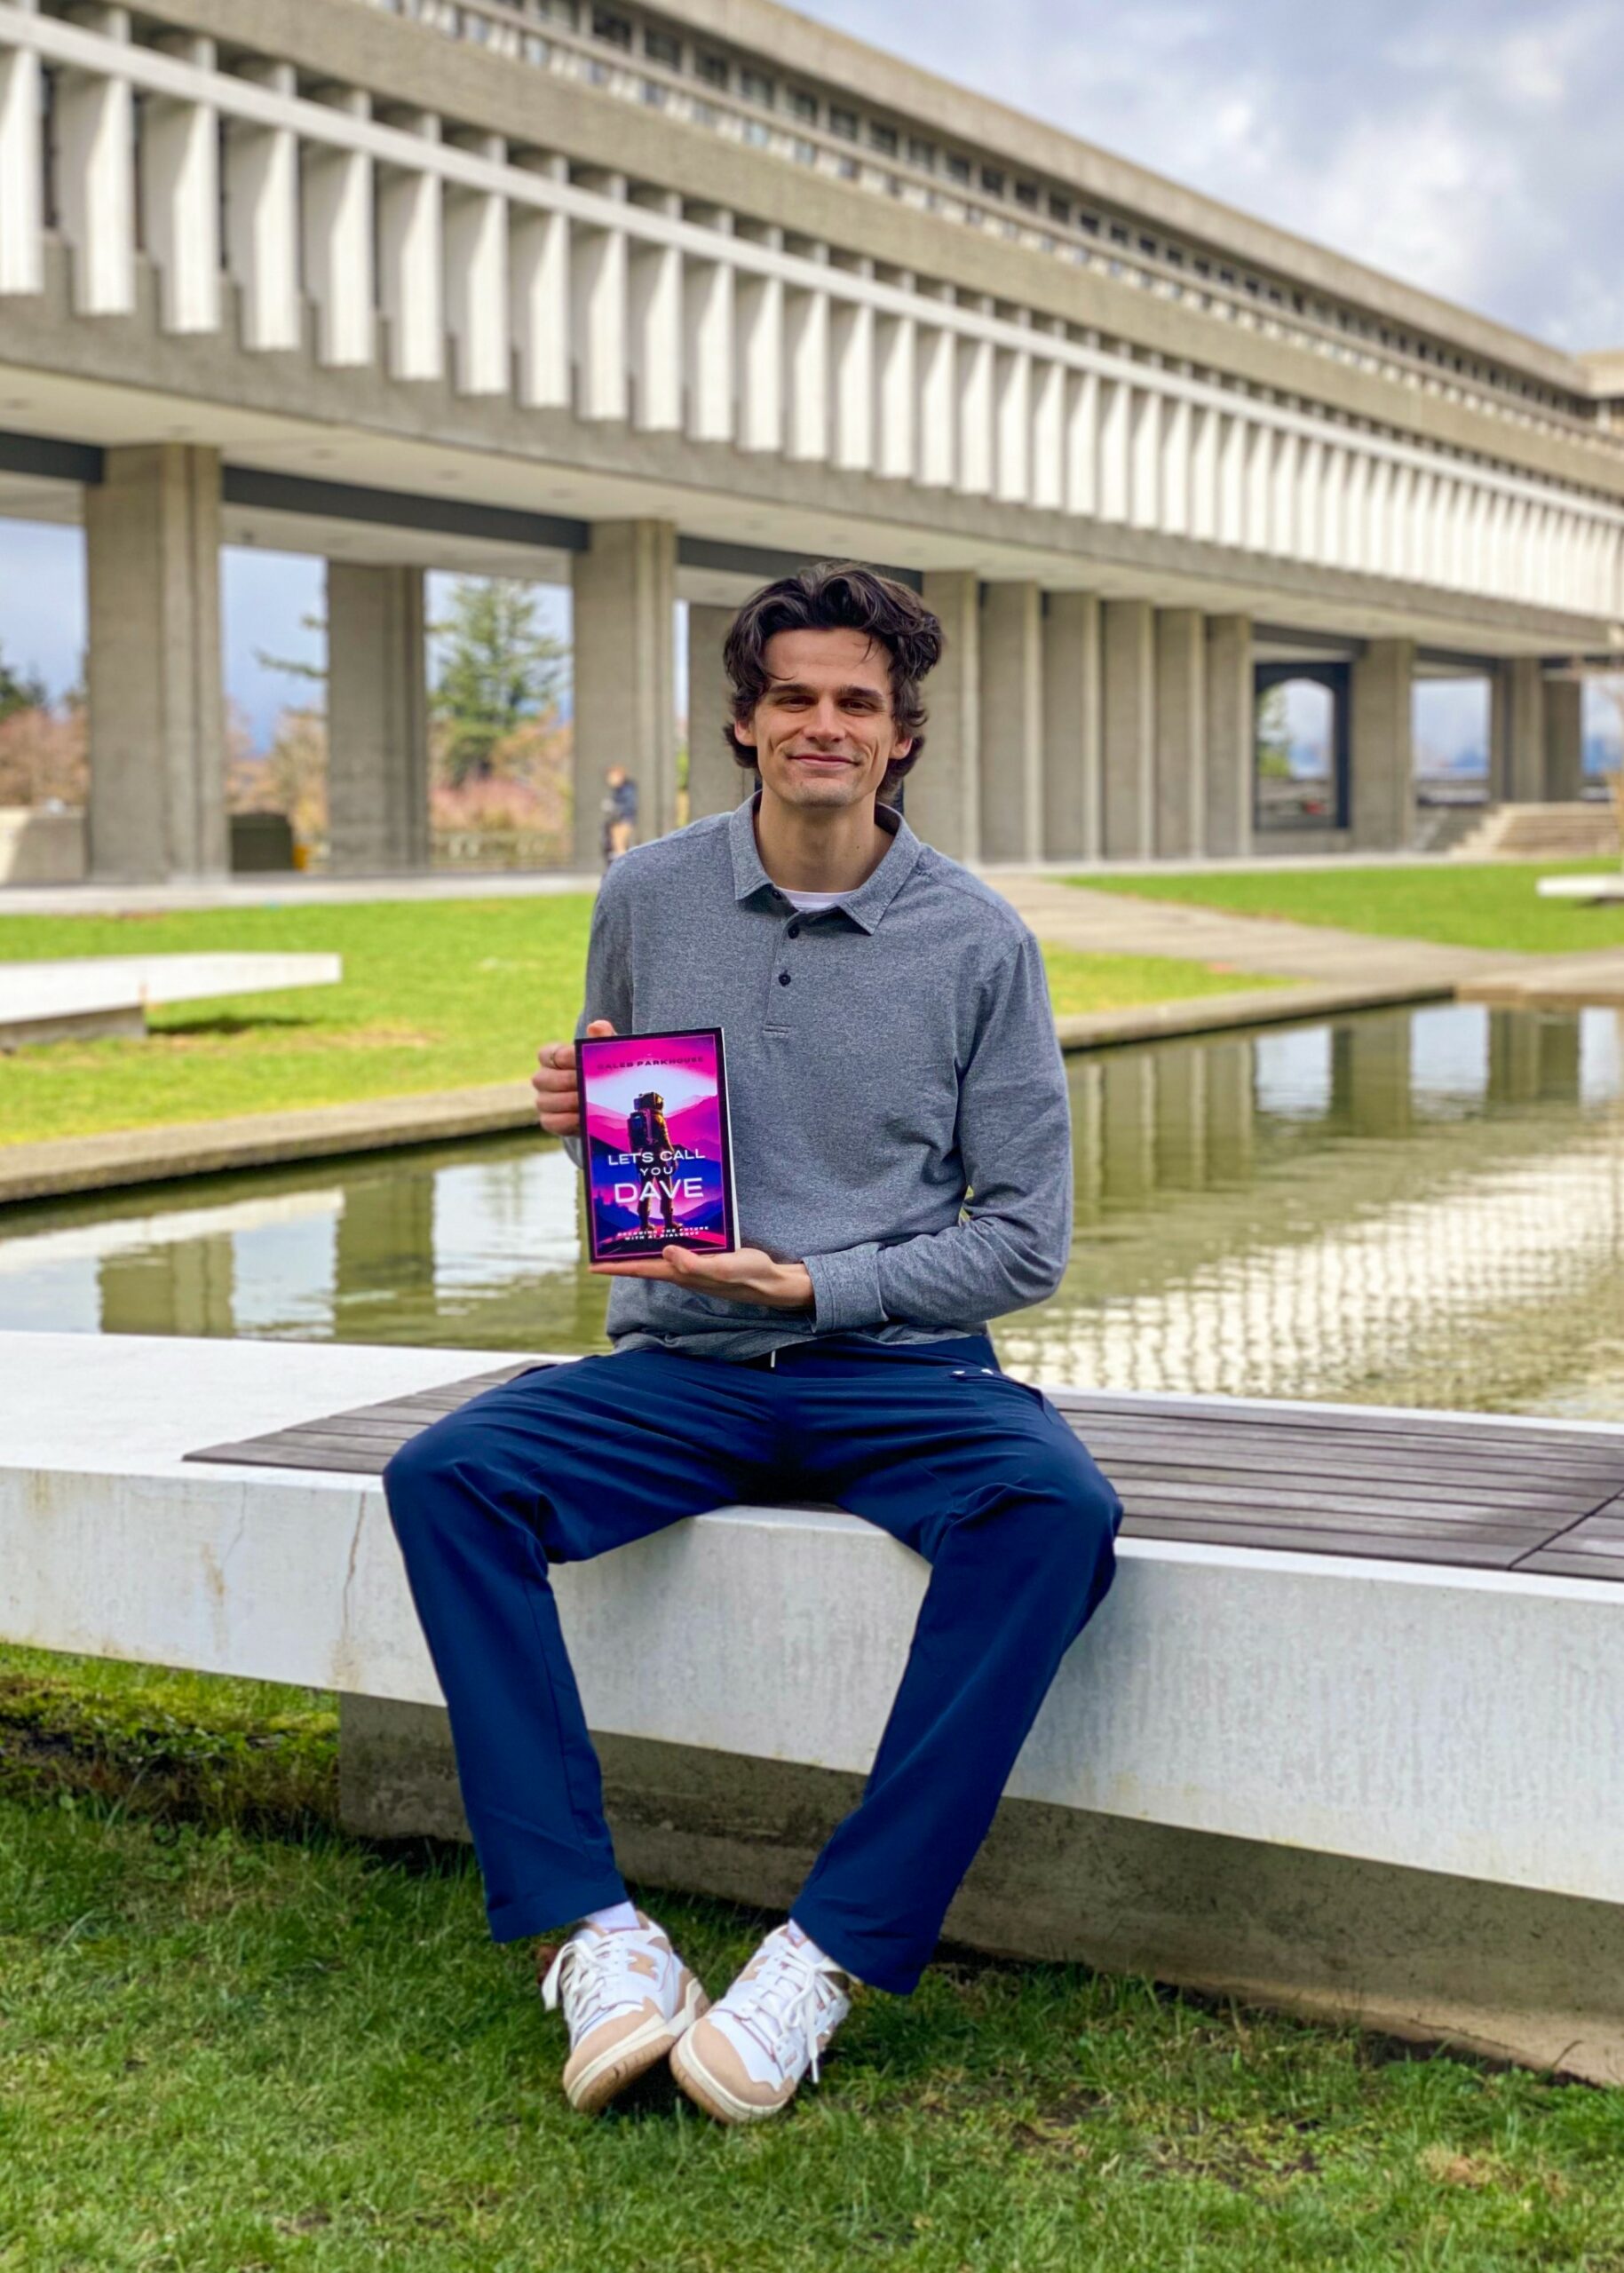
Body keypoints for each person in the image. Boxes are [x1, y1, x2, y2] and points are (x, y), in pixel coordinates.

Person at [383, 562, 1123, 2126]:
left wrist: (816, 1290)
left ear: (898, 737)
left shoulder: (978, 944)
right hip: (679, 1371)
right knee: (448, 1475)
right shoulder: (643, 898)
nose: (821, 725)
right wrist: (578, 1136)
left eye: (855, 701)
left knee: (1055, 1511)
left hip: (895, 1372)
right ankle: (596, 1937)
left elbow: (1022, 1241)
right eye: (792, 696)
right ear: (742, 721)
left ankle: (825, 1953)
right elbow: (649, 1181)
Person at [600, 765, 638, 867]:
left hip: (624, 820)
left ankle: (623, 869)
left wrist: (615, 808)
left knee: (620, 846)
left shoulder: (627, 790)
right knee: (616, 847)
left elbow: (629, 806)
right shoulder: (618, 790)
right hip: (618, 821)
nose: (610, 780)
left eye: (612, 777)